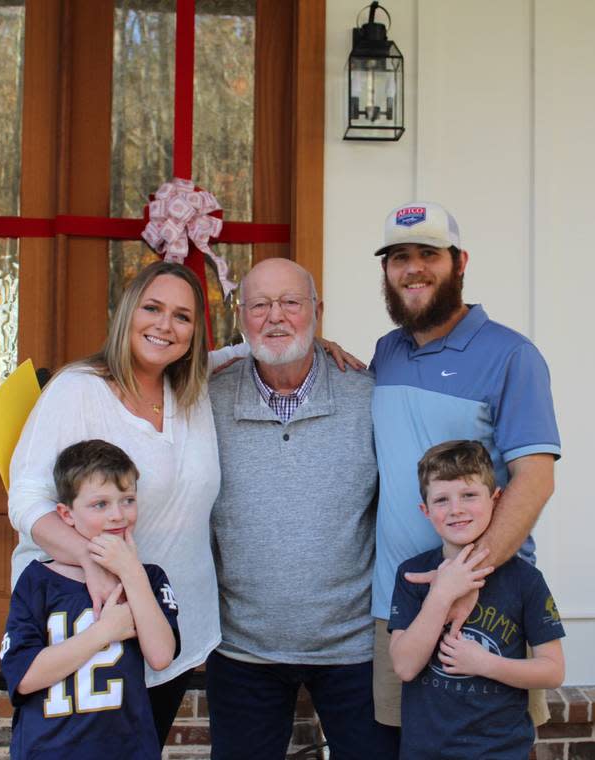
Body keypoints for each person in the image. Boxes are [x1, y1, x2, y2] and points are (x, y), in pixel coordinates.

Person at [8, 261, 236, 744]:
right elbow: (26, 501)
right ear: (128, 312)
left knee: (141, 746)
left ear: (195, 333)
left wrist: (318, 344)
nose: (164, 326)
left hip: (165, 625)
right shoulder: (77, 390)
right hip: (86, 622)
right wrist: (90, 562)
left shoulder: (191, 390)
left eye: (182, 317)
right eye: (152, 308)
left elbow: (252, 349)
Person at [368, 201, 563, 733]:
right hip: (398, 604)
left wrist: (466, 578)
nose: (413, 268)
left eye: (429, 254)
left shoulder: (511, 355)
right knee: (400, 744)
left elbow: (535, 479)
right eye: (399, 256)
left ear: (460, 262)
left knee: (492, 746)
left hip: (488, 600)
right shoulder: (385, 353)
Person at [205, 258, 393, 759]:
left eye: (291, 302)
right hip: (243, 648)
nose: (275, 317)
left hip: (353, 648)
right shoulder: (207, 400)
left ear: (318, 311)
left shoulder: (367, 396)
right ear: (240, 316)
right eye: (260, 305)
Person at [0, 439, 181, 759]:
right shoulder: (37, 582)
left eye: (127, 500)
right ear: (66, 514)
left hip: (125, 749)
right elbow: (24, 678)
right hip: (49, 749)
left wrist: (131, 571)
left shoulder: (148, 578)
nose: (117, 515)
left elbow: (161, 655)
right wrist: (105, 631)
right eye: (100, 504)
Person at [389, 440, 565, 760]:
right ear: (425, 512)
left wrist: (486, 664)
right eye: (442, 499)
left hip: (500, 751)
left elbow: (553, 671)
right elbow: (404, 666)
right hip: (427, 752)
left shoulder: (526, 581)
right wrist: (441, 595)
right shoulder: (413, 575)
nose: (456, 509)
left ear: (496, 499)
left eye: (469, 495)